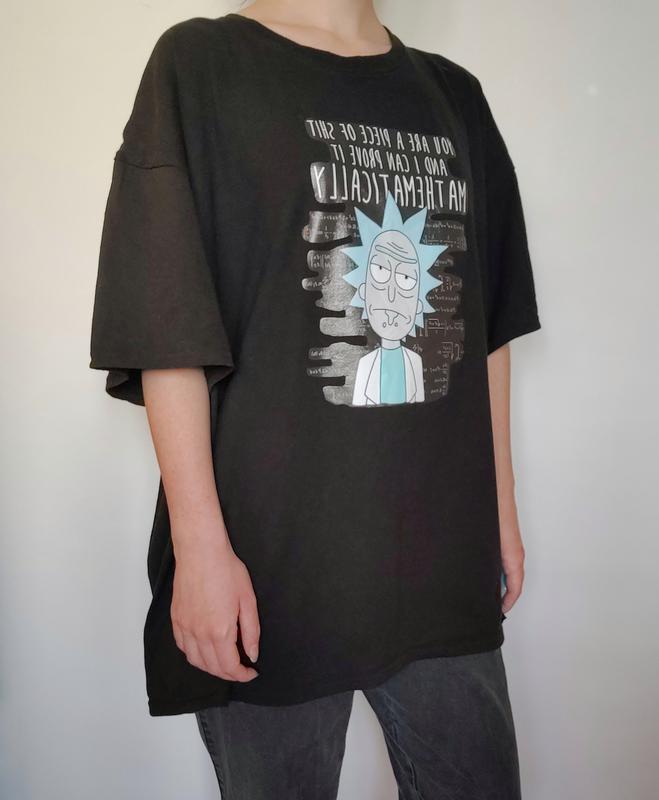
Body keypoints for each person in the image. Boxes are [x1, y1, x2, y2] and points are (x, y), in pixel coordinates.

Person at [89, 1, 541, 797]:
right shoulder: (201, 65)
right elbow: (165, 322)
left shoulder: (453, 96)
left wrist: (499, 508)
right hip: (269, 567)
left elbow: (485, 320)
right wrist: (200, 552)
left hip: (440, 555)